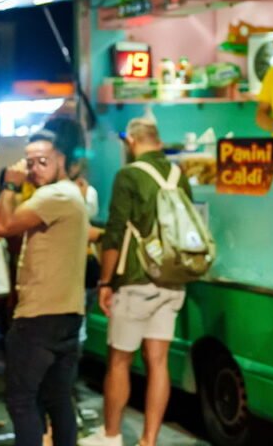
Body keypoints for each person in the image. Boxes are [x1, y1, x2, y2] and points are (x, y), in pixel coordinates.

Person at [80, 118, 191, 446]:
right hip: (172, 279)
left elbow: (115, 233)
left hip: (136, 279)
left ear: (131, 141)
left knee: (119, 360)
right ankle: (149, 439)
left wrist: (105, 282)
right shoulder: (178, 175)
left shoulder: (128, 175)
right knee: (158, 361)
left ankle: (111, 435)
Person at [0, 130, 89, 446]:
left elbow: (2, 226)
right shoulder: (71, 194)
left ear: (61, 160)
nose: (34, 169)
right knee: (58, 399)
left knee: (22, 401)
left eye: (42, 161)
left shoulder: (53, 196)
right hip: (67, 313)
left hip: (39, 317)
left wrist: (9, 184)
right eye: (29, 162)